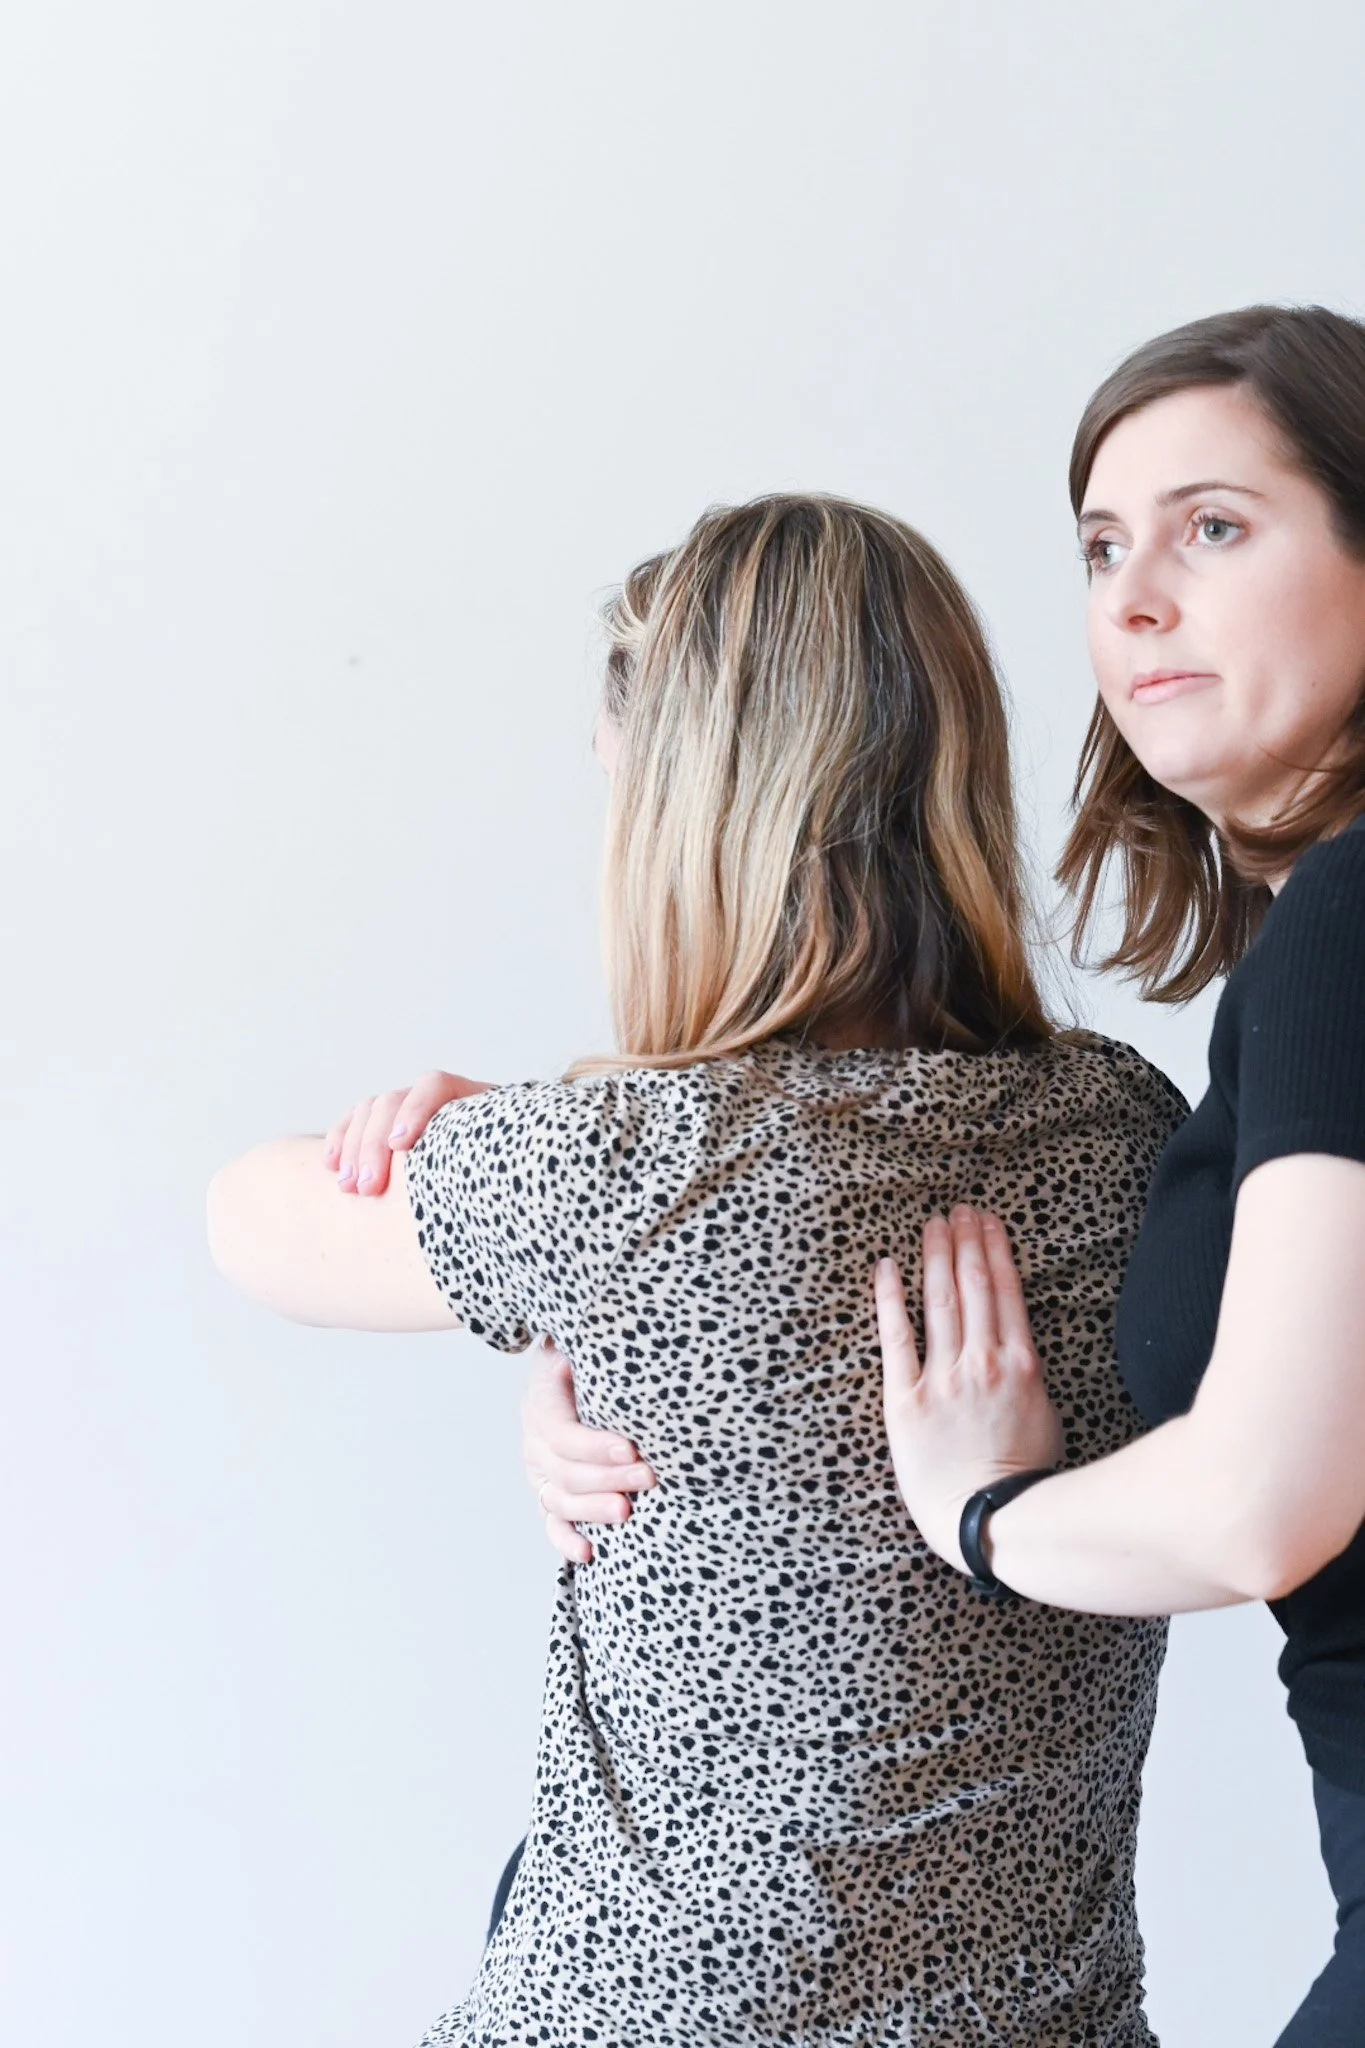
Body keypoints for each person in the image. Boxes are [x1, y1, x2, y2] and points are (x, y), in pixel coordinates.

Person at [488, 305, 1365, 2047]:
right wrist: (614, 1328)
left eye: (1216, 527)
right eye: (1103, 546)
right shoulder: (1170, 1075)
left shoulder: (1347, 921)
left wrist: (980, 1514)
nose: (1131, 602)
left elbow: (1265, 1497)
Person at [210, 494, 1185, 2045]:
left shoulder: (628, 1166)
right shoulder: (1127, 1133)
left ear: (693, 821)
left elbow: (247, 1221)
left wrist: (488, 1146)